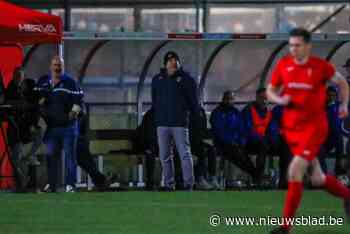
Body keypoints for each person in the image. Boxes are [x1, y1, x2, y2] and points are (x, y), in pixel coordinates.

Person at [267, 28, 350, 234]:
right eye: (291, 45)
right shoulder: (284, 65)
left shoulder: (320, 67)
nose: (293, 49)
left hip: (314, 129)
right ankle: (348, 197)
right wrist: (279, 99)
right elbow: (270, 90)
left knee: (295, 170)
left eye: (298, 45)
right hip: (292, 130)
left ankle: (286, 228)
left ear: (307, 46)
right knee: (318, 179)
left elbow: (342, 83)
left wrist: (343, 105)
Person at [151, 51, 199, 191]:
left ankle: (188, 183)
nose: (173, 62)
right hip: (162, 123)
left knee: (184, 153)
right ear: (165, 63)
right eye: (170, 60)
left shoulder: (186, 79)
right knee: (164, 155)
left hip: (179, 123)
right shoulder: (157, 79)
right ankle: (168, 184)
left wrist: (194, 117)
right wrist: (157, 116)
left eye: (175, 60)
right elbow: (155, 100)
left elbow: (193, 101)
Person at [37, 55, 83, 193]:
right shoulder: (45, 83)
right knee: (51, 157)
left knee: (70, 157)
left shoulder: (70, 82)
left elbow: (79, 100)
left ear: (63, 67)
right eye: (55, 65)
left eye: (60, 65)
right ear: (51, 67)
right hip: (52, 128)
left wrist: (73, 114)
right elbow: (38, 100)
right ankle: (52, 185)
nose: (57, 68)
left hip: (68, 127)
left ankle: (70, 185)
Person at [210, 91, 260, 184]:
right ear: (223, 99)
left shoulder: (236, 112)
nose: (229, 101)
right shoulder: (217, 113)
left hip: (236, 143)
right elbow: (219, 131)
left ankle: (253, 176)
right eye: (227, 99)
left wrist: (241, 141)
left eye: (231, 99)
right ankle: (255, 175)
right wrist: (231, 141)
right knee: (238, 154)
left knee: (242, 153)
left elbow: (242, 129)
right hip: (222, 144)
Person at [242, 88, 272, 183]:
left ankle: (285, 180)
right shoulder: (248, 110)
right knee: (263, 146)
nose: (264, 101)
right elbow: (247, 129)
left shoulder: (269, 112)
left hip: (264, 141)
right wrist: (261, 138)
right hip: (250, 141)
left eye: (265, 98)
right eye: (261, 98)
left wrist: (272, 139)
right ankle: (259, 176)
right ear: (256, 97)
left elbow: (272, 128)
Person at [318, 86, 345, 175]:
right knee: (319, 147)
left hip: (332, 139)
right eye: (329, 95)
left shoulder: (338, 106)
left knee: (339, 137)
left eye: (334, 95)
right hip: (321, 140)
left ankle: (338, 167)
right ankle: (323, 174)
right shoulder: (320, 106)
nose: (331, 97)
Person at [190, 106, 218, 190]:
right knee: (202, 151)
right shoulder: (184, 109)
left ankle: (212, 177)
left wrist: (208, 140)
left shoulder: (201, 110)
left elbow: (203, 129)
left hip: (198, 142)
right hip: (186, 143)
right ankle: (200, 179)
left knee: (211, 149)